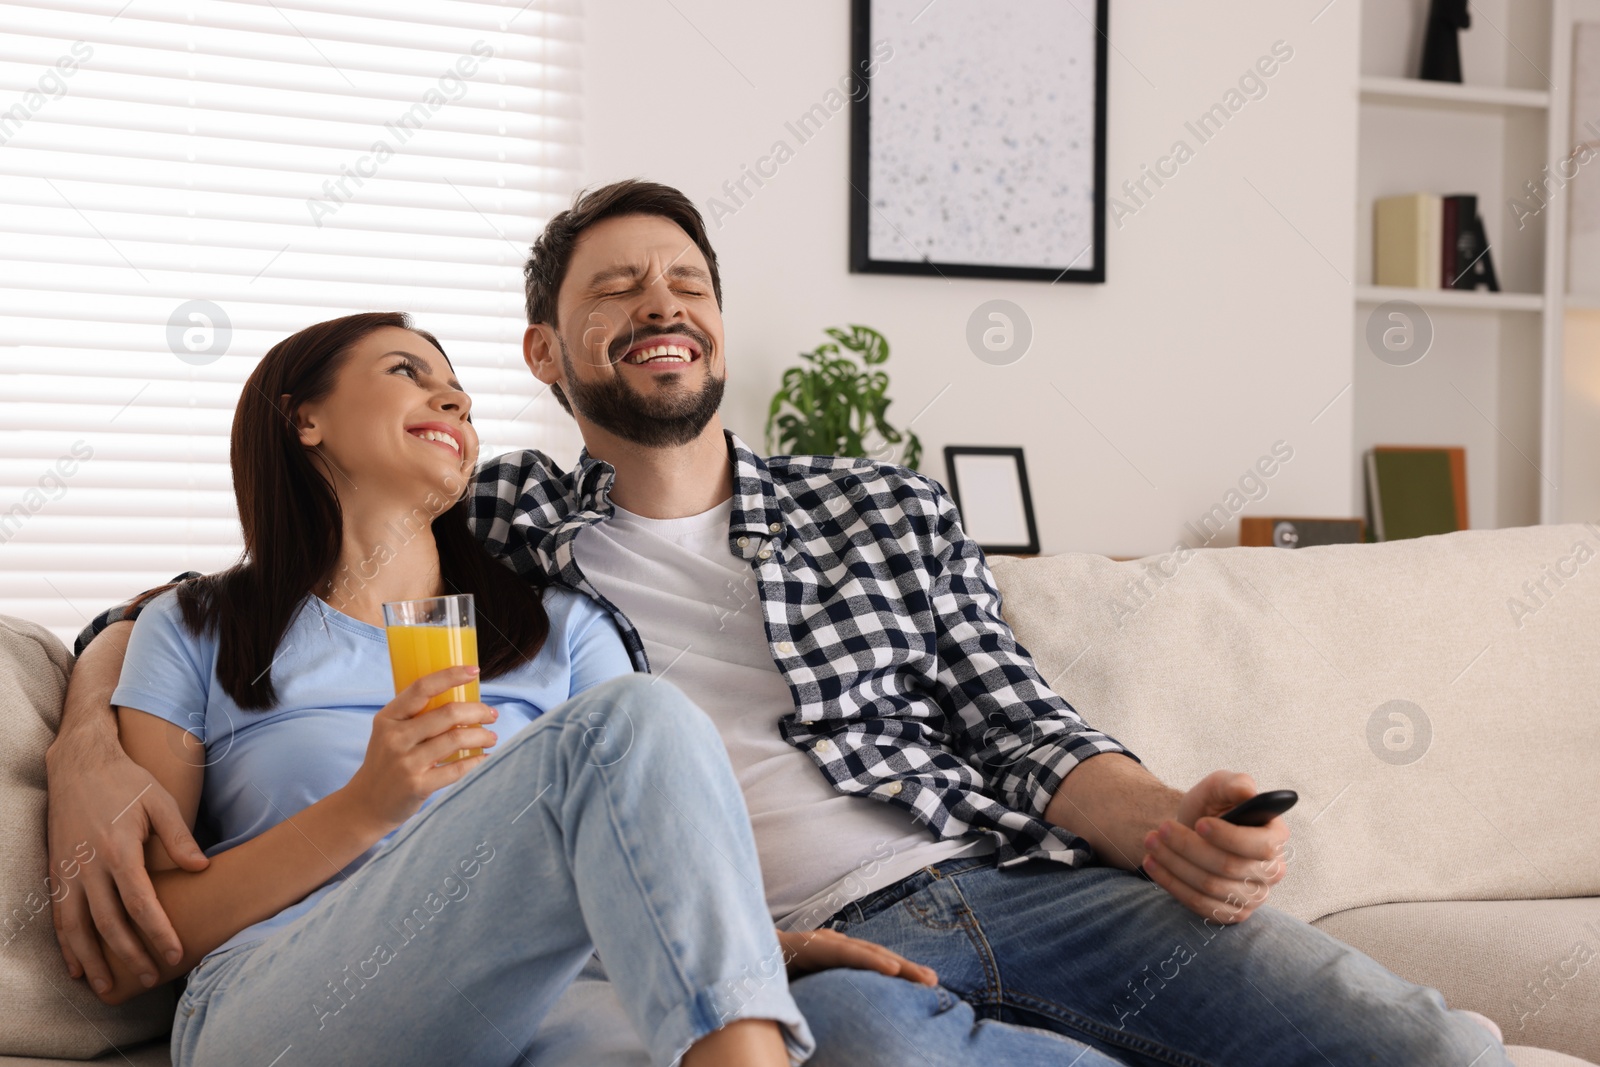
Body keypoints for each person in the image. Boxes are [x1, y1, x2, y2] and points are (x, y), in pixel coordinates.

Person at [55, 182, 1512, 1067]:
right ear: (549, 355)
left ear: (723, 328)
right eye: (615, 288)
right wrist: (86, 744)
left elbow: (1017, 715)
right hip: (694, 953)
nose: (661, 303)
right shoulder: (509, 527)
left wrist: (1160, 821)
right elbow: (222, 592)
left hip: (974, 882)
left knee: (1405, 1038)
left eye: (686, 281)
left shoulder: (836, 522)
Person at [62, 310, 985, 1067]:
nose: (452, 395)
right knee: (627, 722)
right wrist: (365, 806)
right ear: (305, 418)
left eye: (456, 384)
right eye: (406, 372)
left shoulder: (558, 629)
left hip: (557, 994)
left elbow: (641, 861)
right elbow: (153, 938)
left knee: (852, 1038)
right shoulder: (193, 631)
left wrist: (760, 947)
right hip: (282, 1002)